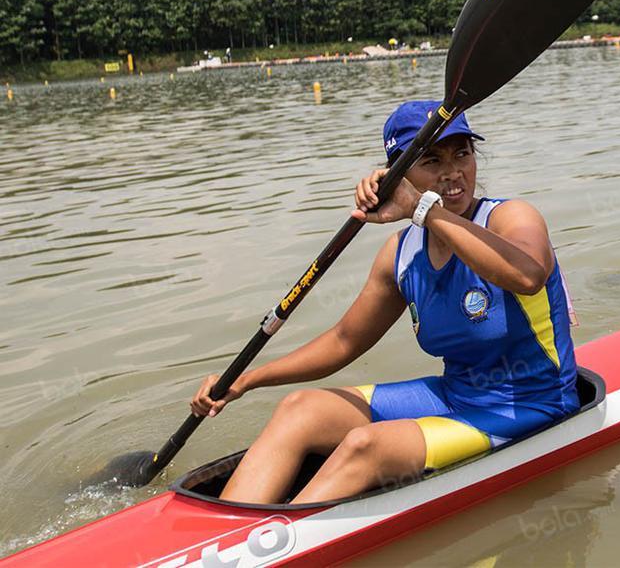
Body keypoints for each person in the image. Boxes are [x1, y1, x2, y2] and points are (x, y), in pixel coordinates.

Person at [190, 101, 579, 504]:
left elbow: (527, 275)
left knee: (366, 446)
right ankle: (225, 526)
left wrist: (424, 210)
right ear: (399, 176)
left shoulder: (510, 217)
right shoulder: (402, 254)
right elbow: (344, 340)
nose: (452, 172)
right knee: (299, 408)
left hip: (535, 403)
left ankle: (278, 535)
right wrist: (247, 380)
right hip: (455, 395)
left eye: (462, 153)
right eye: (432, 160)